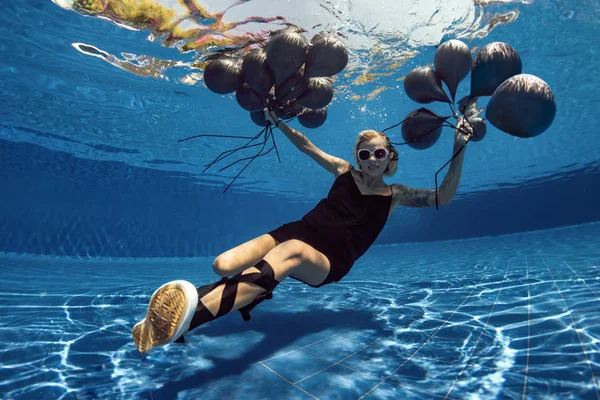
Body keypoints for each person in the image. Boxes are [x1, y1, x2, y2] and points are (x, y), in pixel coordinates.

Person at [132, 109, 473, 354]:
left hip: (329, 258)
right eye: (364, 153)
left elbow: (443, 196)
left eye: (378, 153)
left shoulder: (395, 194)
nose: (371, 159)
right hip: (298, 230)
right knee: (222, 264)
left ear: (389, 158)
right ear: (357, 156)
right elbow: (307, 146)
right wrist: (276, 121)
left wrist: (459, 148)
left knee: (291, 251)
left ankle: (187, 320)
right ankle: (165, 321)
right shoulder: (343, 172)